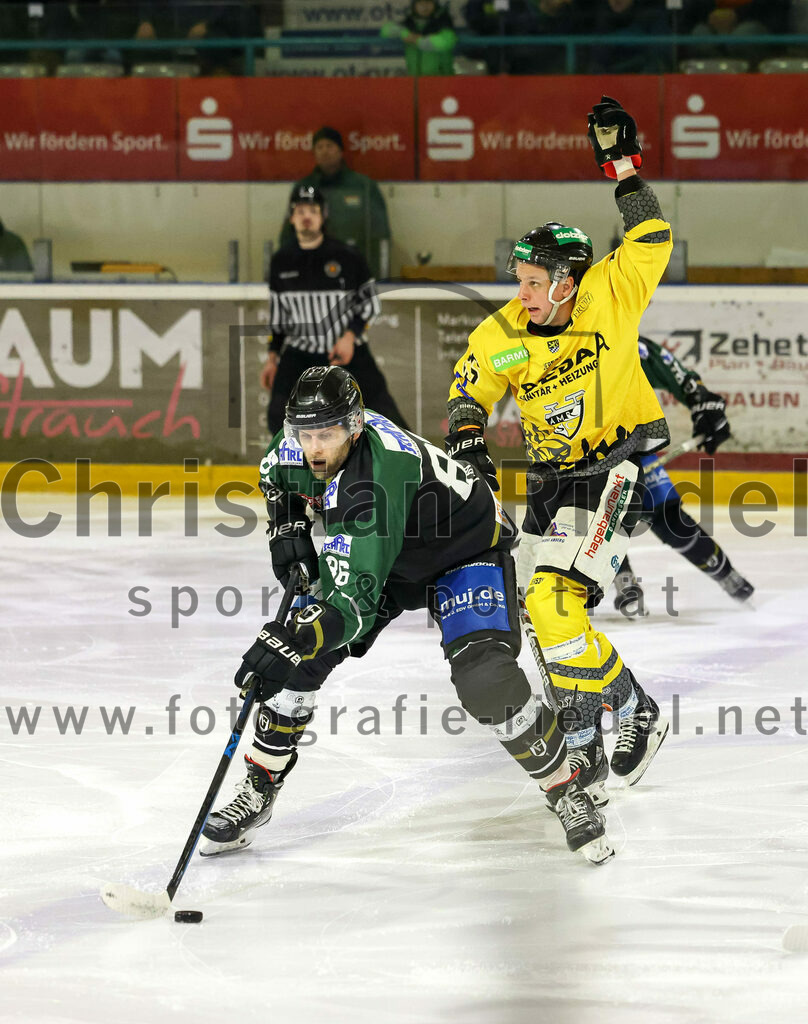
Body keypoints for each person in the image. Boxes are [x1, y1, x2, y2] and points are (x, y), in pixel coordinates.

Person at [201, 366, 613, 865]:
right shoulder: (301, 444)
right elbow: (275, 475)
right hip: (392, 556)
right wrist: (285, 524)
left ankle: (565, 785)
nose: (314, 449)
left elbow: (352, 604)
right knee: (299, 663)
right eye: (305, 435)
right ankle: (259, 787)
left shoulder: (376, 477)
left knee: (485, 679)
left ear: (355, 427)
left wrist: (296, 639)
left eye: (326, 435)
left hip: (462, 550)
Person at [445, 96, 671, 809]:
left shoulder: (611, 293)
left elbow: (651, 233)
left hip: (618, 465)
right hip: (554, 481)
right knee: (547, 615)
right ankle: (601, 724)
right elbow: (470, 383)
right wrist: (467, 434)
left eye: (536, 281)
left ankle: (615, 718)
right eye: (521, 279)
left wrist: (624, 165)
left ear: (570, 281)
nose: (524, 292)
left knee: (552, 600)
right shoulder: (511, 329)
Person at [612, 335, 754, 617]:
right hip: (576, 450)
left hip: (632, 443)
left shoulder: (624, 340)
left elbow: (681, 377)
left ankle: (727, 575)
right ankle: (622, 580)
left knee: (669, 517)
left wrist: (704, 404)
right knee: (592, 515)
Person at [262, 185, 407, 437]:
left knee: (387, 418)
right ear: (292, 217)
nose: (307, 216)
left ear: (323, 215)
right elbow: (279, 317)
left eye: (313, 210)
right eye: (300, 210)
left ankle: (409, 469)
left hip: (347, 353)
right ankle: (302, 470)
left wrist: (350, 336)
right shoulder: (281, 261)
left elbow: (370, 304)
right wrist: (272, 357)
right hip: (300, 355)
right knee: (278, 416)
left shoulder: (347, 257)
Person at [279, 127, 392, 281]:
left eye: (330, 146)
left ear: (341, 151)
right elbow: (288, 235)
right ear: (314, 154)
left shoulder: (363, 186)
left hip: (353, 273)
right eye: (319, 147)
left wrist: (375, 276)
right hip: (312, 273)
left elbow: (380, 235)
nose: (325, 151)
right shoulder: (303, 188)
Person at [380, 0, 457, 76]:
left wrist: (417, 40)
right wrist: (404, 33)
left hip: (442, 81)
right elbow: (385, 30)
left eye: (428, 2)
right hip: (415, 82)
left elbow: (446, 41)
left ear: (435, 4)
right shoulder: (410, 21)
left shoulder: (443, 20)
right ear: (414, 5)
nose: (424, 6)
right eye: (420, 3)